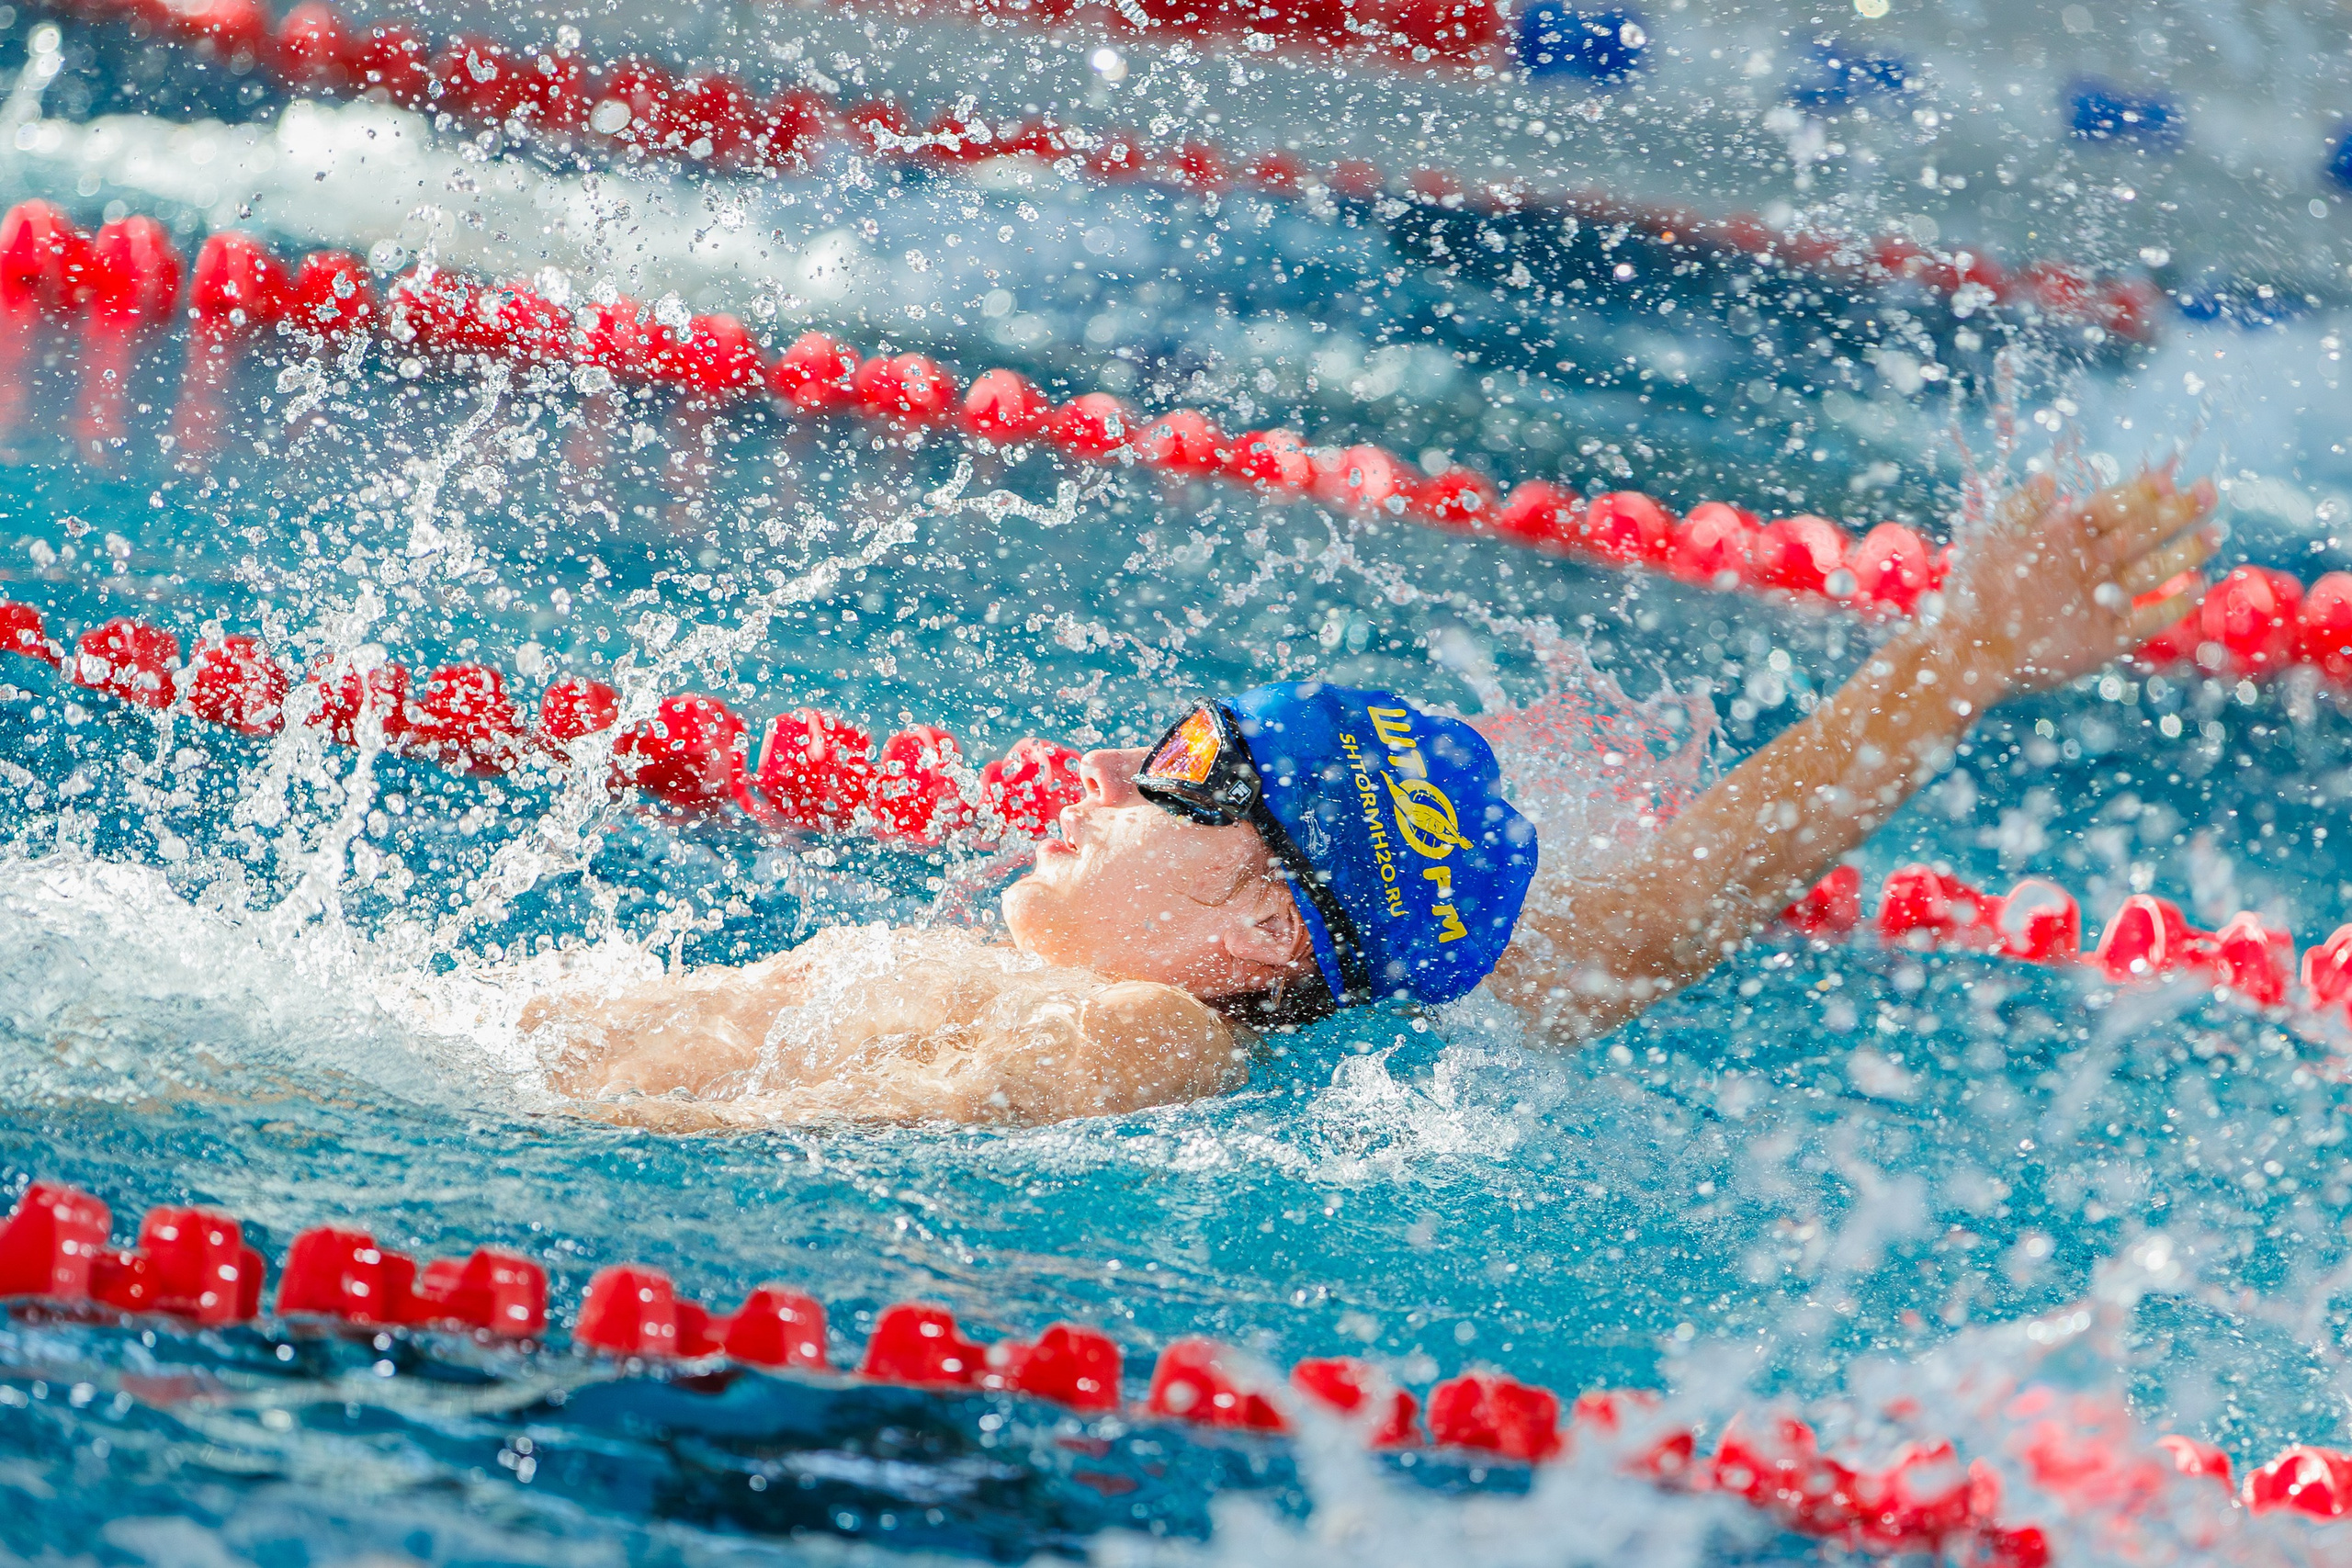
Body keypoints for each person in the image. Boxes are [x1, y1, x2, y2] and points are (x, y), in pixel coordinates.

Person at [519, 469, 2217, 1130]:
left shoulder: (1152, 1038)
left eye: (1189, 770)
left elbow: (777, 1139)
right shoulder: (1188, 988)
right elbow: (1659, 914)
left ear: (1258, 919)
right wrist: (1965, 656)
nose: (1112, 767)